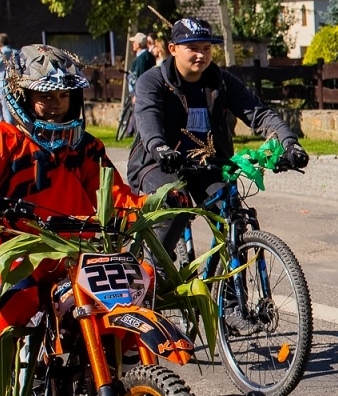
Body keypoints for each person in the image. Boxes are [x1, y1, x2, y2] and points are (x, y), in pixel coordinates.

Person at [0, 45, 148, 396]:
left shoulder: (86, 146)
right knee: (10, 302)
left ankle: (131, 382)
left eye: (63, 96)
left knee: (138, 282)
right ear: (22, 97)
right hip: (13, 245)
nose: (55, 106)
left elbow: (117, 195)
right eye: (45, 96)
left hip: (75, 248)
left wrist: (149, 208)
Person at [129, 17, 307, 244]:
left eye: (206, 48)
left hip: (206, 164)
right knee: (176, 205)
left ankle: (230, 275)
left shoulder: (221, 81)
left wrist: (289, 143)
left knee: (232, 216)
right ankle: (157, 272)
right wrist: (159, 147)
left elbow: (259, 114)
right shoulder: (153, 81)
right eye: (192, 48)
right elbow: (147, 117)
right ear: (173, 49)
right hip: (157, 162)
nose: (201, 55)